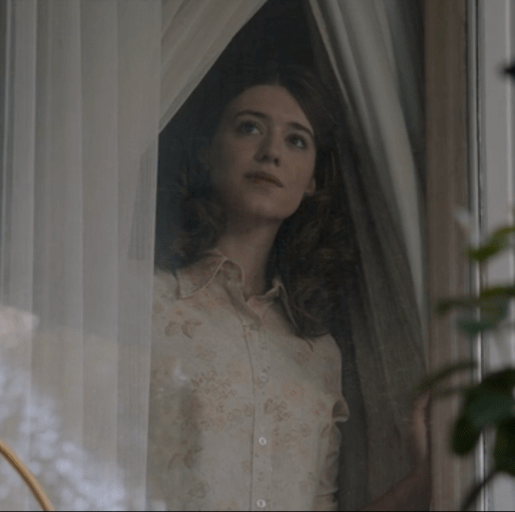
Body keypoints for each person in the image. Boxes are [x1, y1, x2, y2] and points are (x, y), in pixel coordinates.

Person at [149, 62, 427, 511]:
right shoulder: (145, 304)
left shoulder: (318, 355)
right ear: (207, 152)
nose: (271, 153)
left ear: (313, 179)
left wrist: (424, 479)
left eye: (296, 140)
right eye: (249, 128)